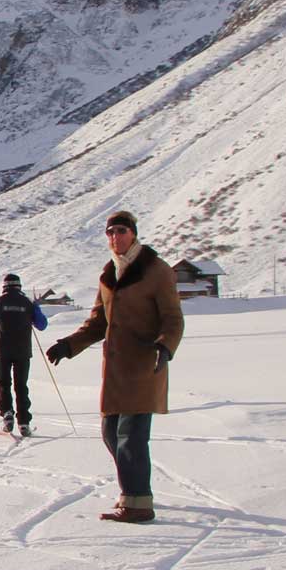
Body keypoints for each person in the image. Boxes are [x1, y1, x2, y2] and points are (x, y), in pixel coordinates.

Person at [45, 210, 183, 522]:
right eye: (110, 232)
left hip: (145, 364)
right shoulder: (109, 274)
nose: (115, 237)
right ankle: (135, 492)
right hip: (115, 370)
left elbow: (173, 318)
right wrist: (69, 345)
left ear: (133, 234)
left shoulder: (156, 270)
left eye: (121, 231)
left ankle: (138, 504)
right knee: (111, 433)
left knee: (131, 436)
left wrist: (165, 346)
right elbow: (97, 322)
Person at [0, 273, 47, 436]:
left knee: (3, 383)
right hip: (23, 350)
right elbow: (42, 325)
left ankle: (7, 414)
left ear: (4, 287)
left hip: (2, 350)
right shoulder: (28, 302)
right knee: (21, 385)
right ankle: (24, 422)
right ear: (19, 286)